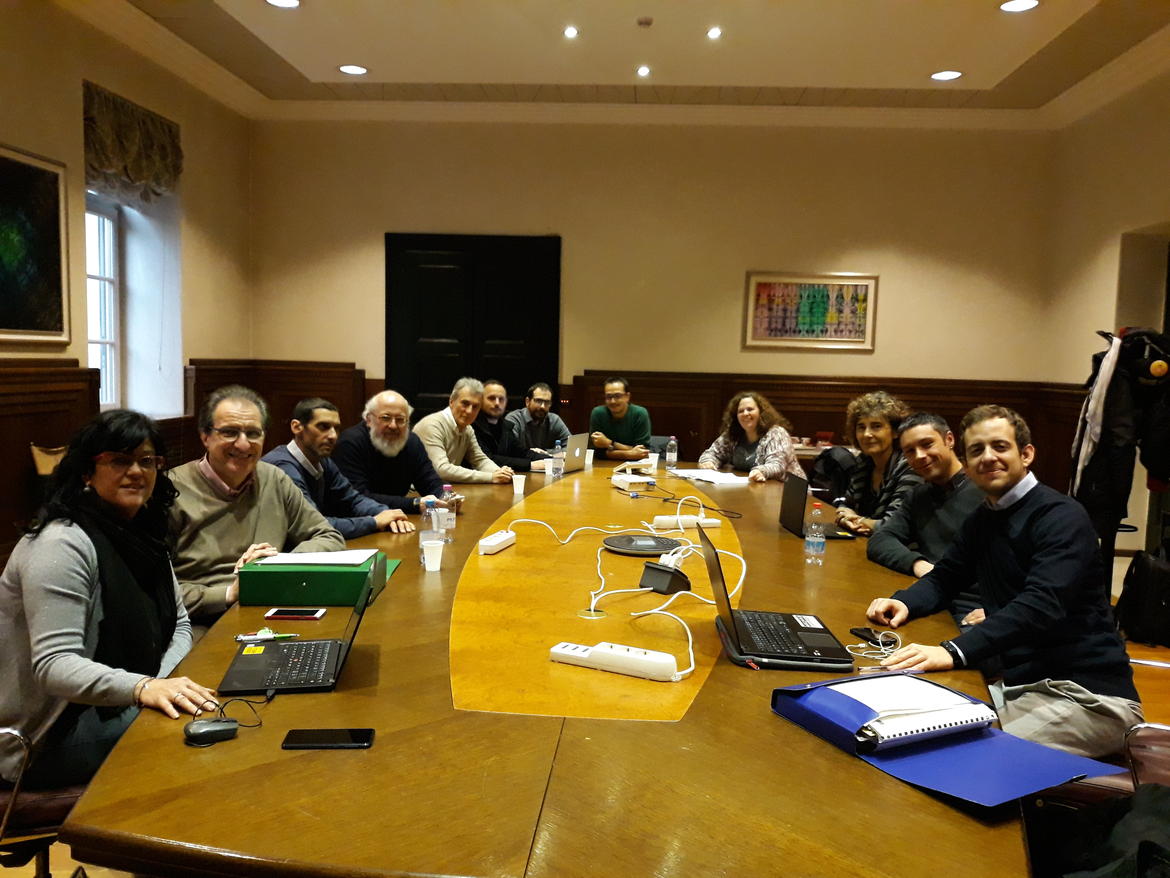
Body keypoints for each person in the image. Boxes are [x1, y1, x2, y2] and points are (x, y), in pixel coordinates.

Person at [866, 405, 1142, 758]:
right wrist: (904, 601)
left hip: (1090, 697)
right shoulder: (985, 517)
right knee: (902, 723)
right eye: (976, 450)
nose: (987, 457)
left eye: (999, 446)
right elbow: (945, 578)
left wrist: (951, 651)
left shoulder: (1061, 516)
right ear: (966, 463)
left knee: (959, 755)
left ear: (1026, 454)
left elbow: (1039, 606)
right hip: (1021, 689)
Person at [0, 410, 217, 787]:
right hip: (42, 738)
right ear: (87, 471)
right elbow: (55, 664)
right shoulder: (60, 543)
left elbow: (180, 624)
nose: (136, 471)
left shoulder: (142, 533)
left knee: (206, 703)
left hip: (109, 705)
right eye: (119, 460)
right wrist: (144, 688)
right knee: (195, 729)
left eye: (147, 461)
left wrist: (159, 684)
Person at [169, 385, 345, 628]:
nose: (243, 444)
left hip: (272, 609)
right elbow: (153, 592)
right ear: (205, 436)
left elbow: (329, 537)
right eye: (230, 432)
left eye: (253, 433)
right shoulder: (170, 491)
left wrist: (276, 566)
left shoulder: (274, 478)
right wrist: (229, 593)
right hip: (203, 622)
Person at [866, 412, 985, 626]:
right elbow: (881, 539)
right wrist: (918, 564)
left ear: (949, 440)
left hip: (973, 610)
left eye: (927, 444)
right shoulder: (919, 496)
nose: (919, 456)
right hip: (931, 596)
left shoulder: (988, 492)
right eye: (910, 451)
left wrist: (1000, 609)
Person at [262, 397, 415, 538]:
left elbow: (353, 500)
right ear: (297, 427)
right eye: (323, 427)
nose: (333, 435)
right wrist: (374, 522)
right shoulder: (282, 467)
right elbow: (314, 524)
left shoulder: (323, 461)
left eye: (336, 428)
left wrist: (387, 513)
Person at [333, 389, 446, 513]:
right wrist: (413, 504)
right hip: (360, 517)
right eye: (385, 418)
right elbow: (357, 497)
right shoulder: (350, 443)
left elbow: (429, 480)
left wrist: (445, 497)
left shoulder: (412, 442)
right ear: (369, 419)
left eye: (400, 419)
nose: (393, 426)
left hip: (399, 517)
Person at [834, 390, 920, 534]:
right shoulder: (864, 462)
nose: (867, 434)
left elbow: (895, 524)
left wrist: (858, 521)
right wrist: (844, 519)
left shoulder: (909, 466)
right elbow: (845, 504)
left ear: (895, 432)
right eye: (861, 427)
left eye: (876, 426)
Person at [413, 378, 514, 484]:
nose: (469, 411)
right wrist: (491, 477)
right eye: (465, 404)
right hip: (416, 491)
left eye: (475, 407)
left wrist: (500, 472)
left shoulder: (468, 429)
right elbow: (441, 469)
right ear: (451, 401)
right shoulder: (432, 425)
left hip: (443, 488)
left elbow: (480, 460)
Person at [697, 391, 804, 483]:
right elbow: (712, 453)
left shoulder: (776, 433)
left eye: (750, 409)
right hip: (753, 488)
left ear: (761, 412)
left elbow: (777, 465)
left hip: (789, 490)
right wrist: (708, 462)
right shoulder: (732, 434)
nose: (745, 413)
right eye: (740, 411)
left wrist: (761, 471)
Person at [469, 380, 544, 473]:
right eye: (491, 398)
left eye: (501, 399)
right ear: (480, 400)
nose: (497, 403)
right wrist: (530, 465)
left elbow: (522, 452)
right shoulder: (471, 425)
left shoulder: (506, 426)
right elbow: (487, 459)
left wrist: (552, 459)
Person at [589, 377, 651, 461]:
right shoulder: (598, 413)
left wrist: (609, 443)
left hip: (635, 466)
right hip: (603, 465)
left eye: (617, 396)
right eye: (608, 397)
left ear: (627, 396)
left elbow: (643, 452)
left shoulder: (640, 414)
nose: (613, 401)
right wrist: (630, 454)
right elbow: (597, 453)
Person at [505, 382, 570, 454]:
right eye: (538, 401)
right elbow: (511, 450)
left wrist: (545, 452)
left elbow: (570, 447)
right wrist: (535, 454)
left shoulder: (554, 420)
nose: (542, 406)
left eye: (547, 402)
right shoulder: (514, 419)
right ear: (527, 401)